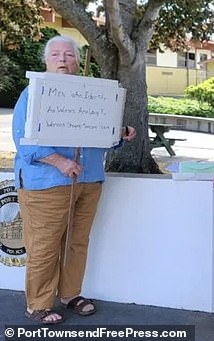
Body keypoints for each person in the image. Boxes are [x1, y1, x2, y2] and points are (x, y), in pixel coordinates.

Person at [12, 35, 136, 324]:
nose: (63, 60)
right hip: (47, 183)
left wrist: (119, 133)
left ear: (78, 61)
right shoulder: (32, 93)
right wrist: (59, 161)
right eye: (56, 55)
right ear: (45, 61)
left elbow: (100, 135)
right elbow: (24, 140)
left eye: (69, 55)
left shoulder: (89, 93)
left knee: (76, 243)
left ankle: (70, 295)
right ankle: (38, 304)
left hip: (89, 179)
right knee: (44, 245)